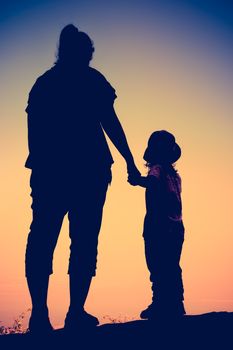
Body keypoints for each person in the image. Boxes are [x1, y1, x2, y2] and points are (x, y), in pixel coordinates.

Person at [25, 24, 140, 333]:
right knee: (81, 241)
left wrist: (41, 166)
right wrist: (128, 160)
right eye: (88, 50)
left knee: (45, 239)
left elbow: (33, 134)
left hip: (53, 174)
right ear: (77, 51)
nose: (92, 54)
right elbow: (111, 123)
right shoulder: (91, 81)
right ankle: (72, 312)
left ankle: (43, 314)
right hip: (87, 172)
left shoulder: (44, 84)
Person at [128, 130, 185, 319]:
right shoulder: (175, 176)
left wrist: (137, 181)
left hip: (158, 225)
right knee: (172, 265)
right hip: (177, 226)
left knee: (157, 264)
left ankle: (160, 302)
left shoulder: (157, 170)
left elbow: (152, 184)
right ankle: (176, 302)